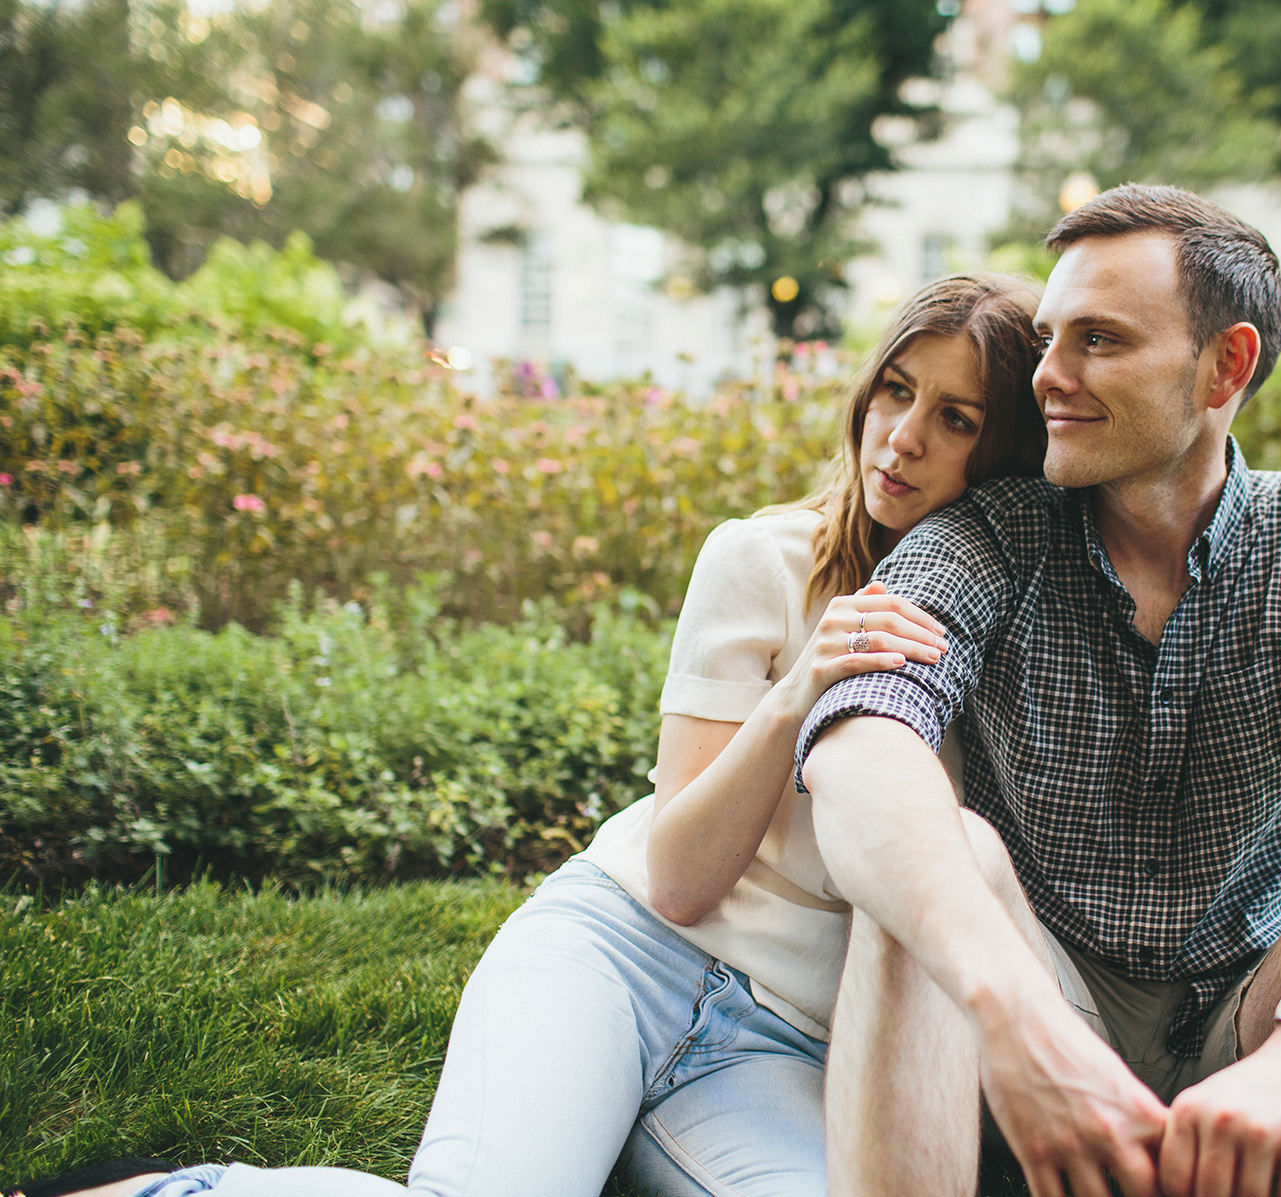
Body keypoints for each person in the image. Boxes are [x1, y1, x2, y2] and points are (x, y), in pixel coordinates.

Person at [7, 272, 1048, 1197]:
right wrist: (796, 693)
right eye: (894, 390)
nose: (902, 436)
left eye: (955, 418)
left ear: (1005, 452)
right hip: (617, 956)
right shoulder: (757, 560)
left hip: (780, 1048)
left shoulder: (1011, 647)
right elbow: (680, 881)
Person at [797, 185, 1281, 1197]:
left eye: (1099, 340)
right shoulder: (988, 535)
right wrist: (1014, 1014)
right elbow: (862, 741)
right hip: (1041, 995)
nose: (1048, 374)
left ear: (1225, 366)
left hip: (1259, 1012)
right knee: (945, 863)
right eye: (1048, 339)